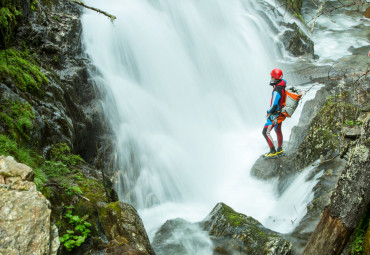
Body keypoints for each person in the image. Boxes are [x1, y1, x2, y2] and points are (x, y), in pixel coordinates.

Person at [262, 68, 287, 158]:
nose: (271, 78)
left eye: (272, 76)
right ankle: (280, 149)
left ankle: (273, 151)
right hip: (280, 113)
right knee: (278, 130)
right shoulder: (282, 86)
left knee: (265, 132)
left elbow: (274, 104)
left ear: (275, 78)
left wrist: (268, 112)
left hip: (275, 115)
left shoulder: (277, 90)